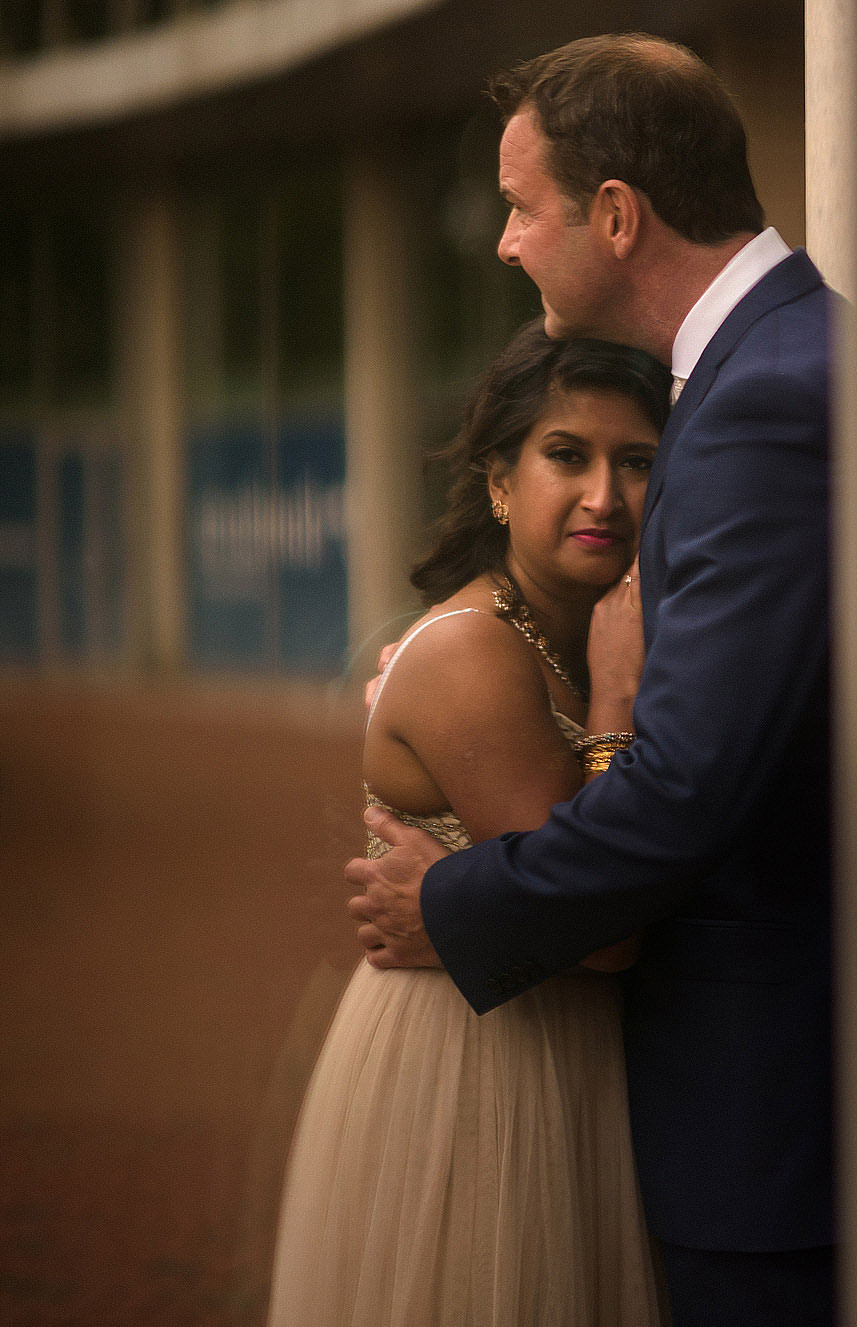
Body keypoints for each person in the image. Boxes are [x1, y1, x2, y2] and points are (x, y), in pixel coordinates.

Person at [342, 35, 857, 1327]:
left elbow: (689, 782)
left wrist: (456, 900)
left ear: (619, 216)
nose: (511, 241)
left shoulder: (770, 399)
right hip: (795, 1061)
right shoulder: (795, 363)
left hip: (766, 1079)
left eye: (526, 207)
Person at [267, 321, 670, 1327]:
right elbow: (601, 922)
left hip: (568, 1057)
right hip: (475, 1071)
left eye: (637, 463)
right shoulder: (473, 654)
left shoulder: (601, 628)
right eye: (565, 456)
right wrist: (616, 709)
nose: (603, 498)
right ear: (499, 482)